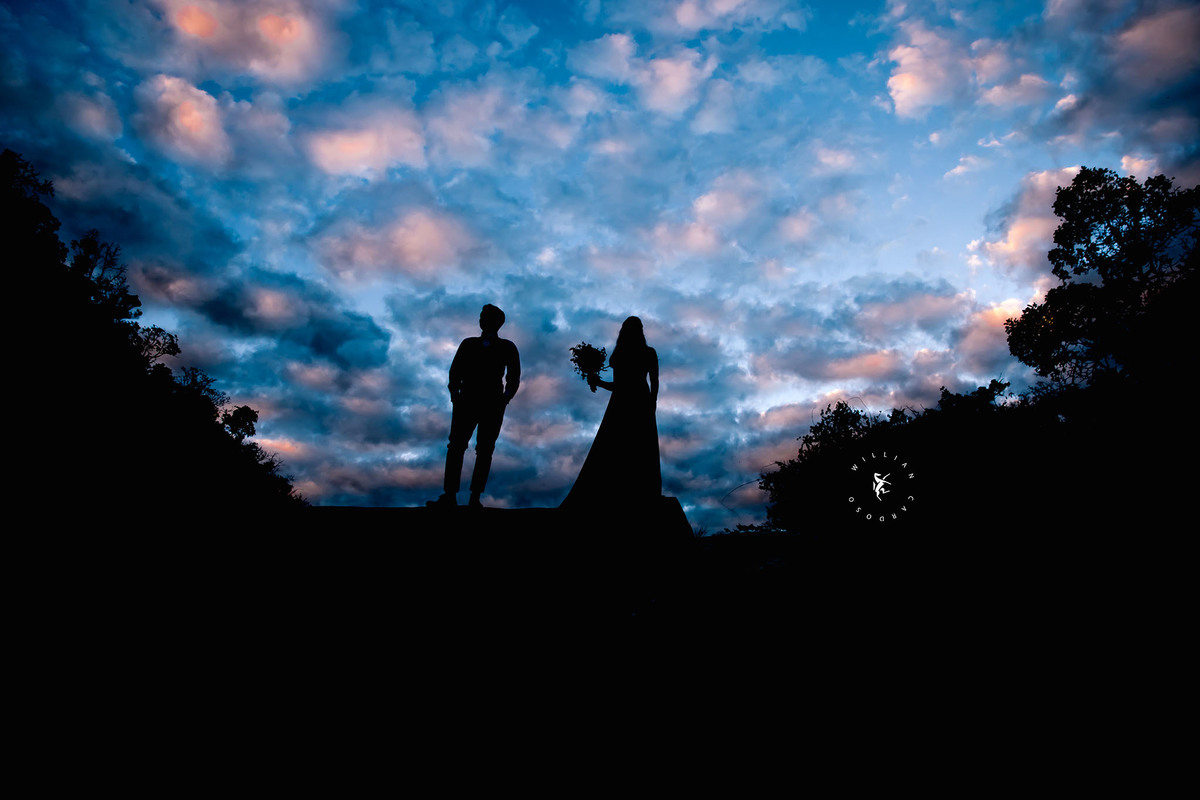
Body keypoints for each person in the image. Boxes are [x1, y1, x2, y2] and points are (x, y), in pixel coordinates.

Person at [561, 316, 662, 511]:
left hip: (627, 403)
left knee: (623, 445)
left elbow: (625, 385)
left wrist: (652, 402)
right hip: (634, 402)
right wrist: (652, 402)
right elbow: (651, 383)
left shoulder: (624, 355)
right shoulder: (636, 354)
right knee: (632, 446)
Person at [429, 304, 520, 508]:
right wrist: (455, 394)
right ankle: (450, 496)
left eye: (485, 317)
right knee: (456, 446)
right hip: (466, 401)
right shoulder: (468, 344)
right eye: (481, 317)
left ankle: (474, 498)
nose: (481, 320)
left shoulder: (507, 347)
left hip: (493, 404)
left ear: (497, 322)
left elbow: (513, 377)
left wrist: (504, 399)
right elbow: (455, 372)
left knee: (485, 449)